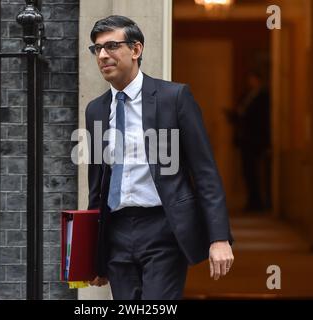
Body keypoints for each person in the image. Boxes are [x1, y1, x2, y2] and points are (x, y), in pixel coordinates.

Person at [85, 15, 234, 300]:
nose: (103, 55)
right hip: (116, 232)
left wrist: (219, 237)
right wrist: (96, 253)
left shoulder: (174, 97)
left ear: (136, 49)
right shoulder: (95, 110)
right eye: (97, 49)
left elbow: (205, 172)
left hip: (163, 228)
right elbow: (97, 185)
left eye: (112, 46)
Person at [226, 70, 271, 212]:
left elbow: (260, 119)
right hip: (245, 139)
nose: (250, 81)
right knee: (246, 172)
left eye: (253, 78)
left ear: (258, 80)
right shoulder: (247, 95)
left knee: (254, 172)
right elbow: (243, 114)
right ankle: (252, 200)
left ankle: (257, 202)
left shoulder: (263, 96)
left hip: (255, 140)